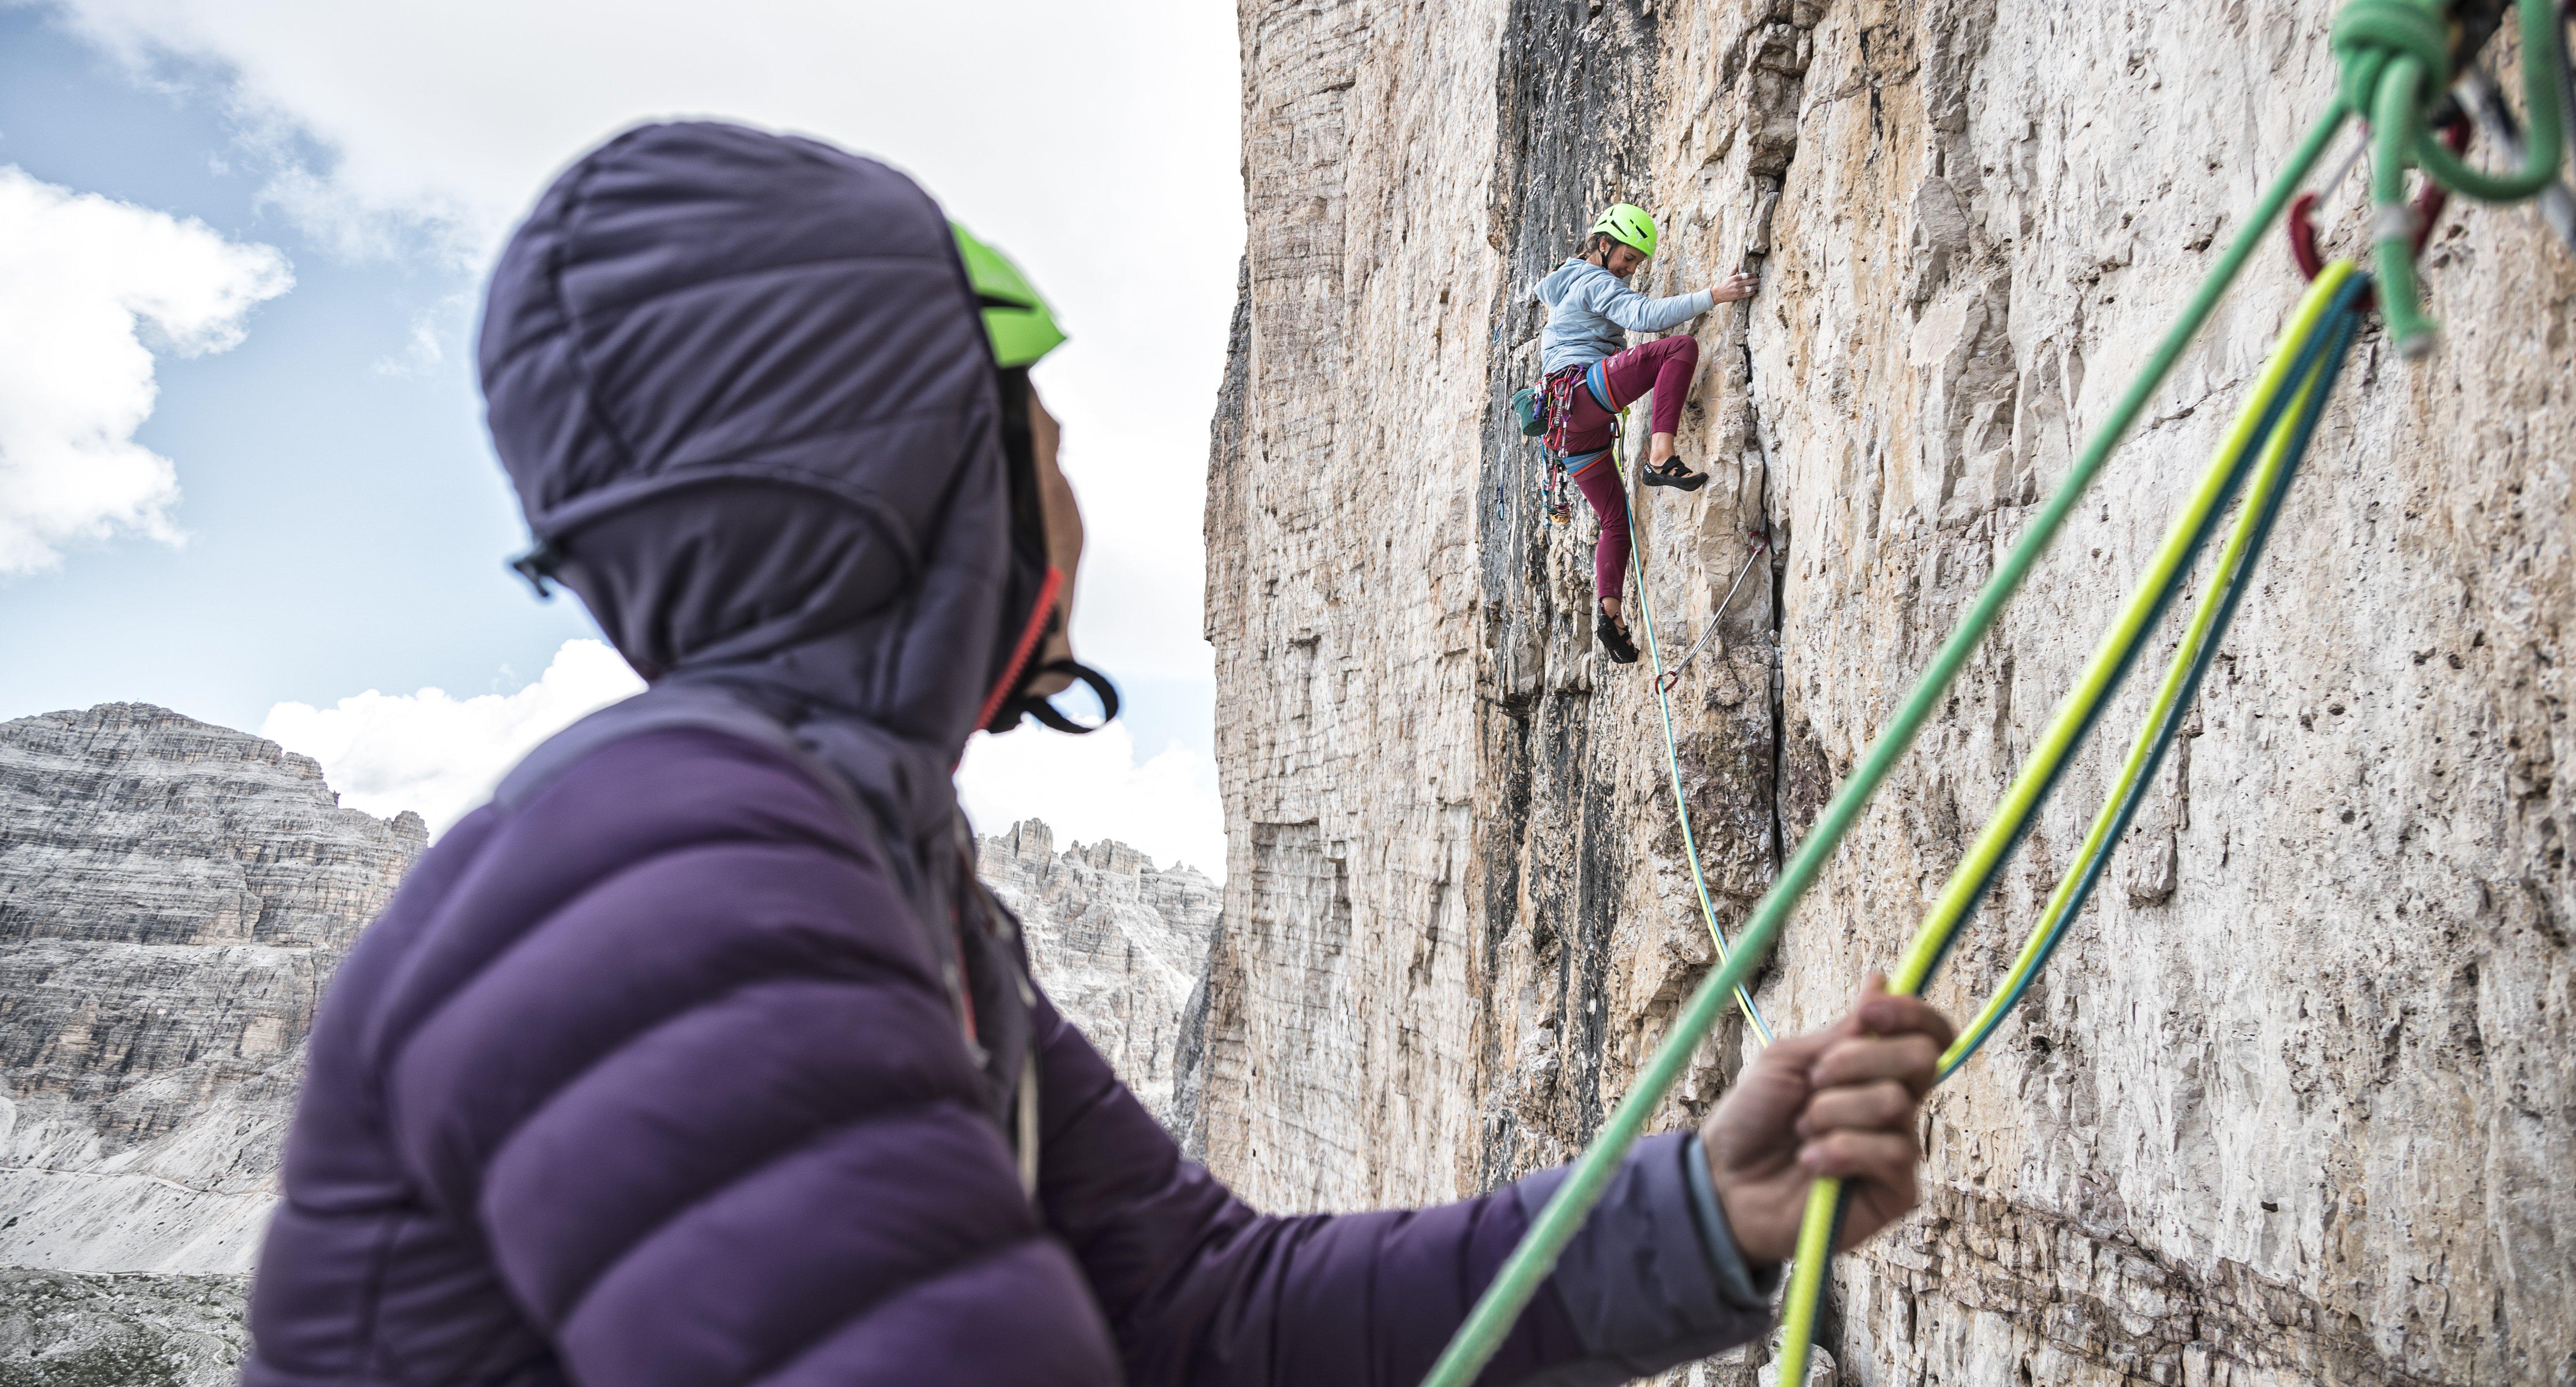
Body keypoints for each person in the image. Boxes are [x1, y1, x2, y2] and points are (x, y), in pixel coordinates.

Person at [242, 122, 1947, 1387]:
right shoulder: (676, 876)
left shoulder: (861, 879)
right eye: (1039, 434)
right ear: (932, 477)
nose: (1070, 494)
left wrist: (1697, 1216)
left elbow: (1206, 1308)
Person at [1534, 202, 1759, 664]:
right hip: (1580, 393)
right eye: (1628, 258)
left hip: (1564, 429)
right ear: (1603, 245)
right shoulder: (1596, 282)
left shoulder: (1564, 286)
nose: (1631, 270)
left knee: (1616, 520)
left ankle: (1610, 610)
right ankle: (1661, 456)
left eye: (1637, 263)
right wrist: (1713, 295)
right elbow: (1646, 316)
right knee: (1678, 349)